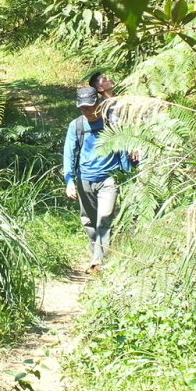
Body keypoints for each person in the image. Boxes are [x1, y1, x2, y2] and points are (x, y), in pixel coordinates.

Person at [63, 86, 132, 274]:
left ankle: (98, 261)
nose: (86, 111)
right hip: (84, 179)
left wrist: (127, 176)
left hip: (109, 179)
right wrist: (69, 181)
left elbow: (122, 148)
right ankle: (97, 252)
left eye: (90, 106)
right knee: (88, 220)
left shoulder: (112, 122)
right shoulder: (76, 126)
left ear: (98, 103)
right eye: (82, 107)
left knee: (104, 218)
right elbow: (68, 154)